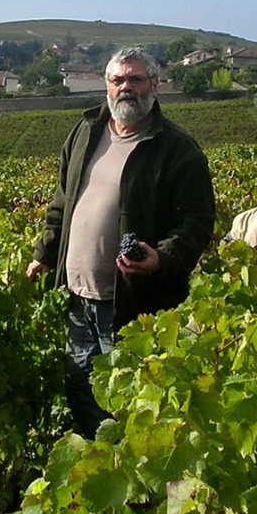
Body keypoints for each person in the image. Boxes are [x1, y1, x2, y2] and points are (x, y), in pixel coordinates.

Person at [26, 47, 216, 438]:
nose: (125, 87)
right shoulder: (85, 132)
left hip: (132, 303)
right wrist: (46, 254)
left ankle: (128, 468)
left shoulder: (177, 149)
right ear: (107, 86)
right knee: (81, 389)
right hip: (78, 296)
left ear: (155, 86)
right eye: (118, 80)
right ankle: (95, 459)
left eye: (135, 79)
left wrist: (162, 258)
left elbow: (196, 222)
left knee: (130, 400)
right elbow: (63, 200)